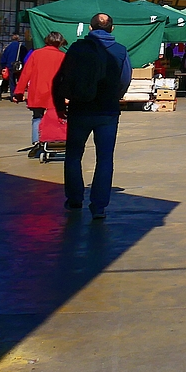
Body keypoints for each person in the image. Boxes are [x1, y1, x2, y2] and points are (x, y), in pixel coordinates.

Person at [53, 13, 132, 220]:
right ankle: (99, 206)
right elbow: (125, 79)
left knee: (73, 155)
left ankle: (74, 199)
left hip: (80, 108)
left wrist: (60, 104)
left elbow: (61, 77)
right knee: (105, 158)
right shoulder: (120, 51)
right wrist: (115, 96)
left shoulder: (77, 49)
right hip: (107, 111)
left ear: (90, 28)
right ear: (112, 29)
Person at [14, 31, 67, 146]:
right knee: (56, 116)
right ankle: (53, 140)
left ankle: (37, 141)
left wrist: (19, 92)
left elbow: (25, 74)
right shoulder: (63, 56)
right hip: (55, 92)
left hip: (37, 91)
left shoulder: (36, 54)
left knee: (37, 117)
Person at [0, 33, 28, 100]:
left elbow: (4, 57)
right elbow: (26, 57)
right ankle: (20, 94)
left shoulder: (8, 47)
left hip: (11, 65)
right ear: (18, 39)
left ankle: (13, 95)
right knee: (20, 80)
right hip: (20, 65)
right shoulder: (21, 46)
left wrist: (4, 66)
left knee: (11, 81)